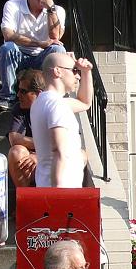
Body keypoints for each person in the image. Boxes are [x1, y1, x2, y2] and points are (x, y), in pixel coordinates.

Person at [0, 0, 66, 112]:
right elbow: (8, 35)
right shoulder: (13, 5)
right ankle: (8, 98)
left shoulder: (57, 10)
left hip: (42, 57)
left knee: (58, 50)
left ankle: (52, 96)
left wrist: (51, 9)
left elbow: (55, 37)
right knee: (6, 48)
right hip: (18, 55)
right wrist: (39, 43)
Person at [31, 52, 92, 188]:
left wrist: (86, 72)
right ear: (57, 71)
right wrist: (57, 193)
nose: (77, 76)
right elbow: (58, 151)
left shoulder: (41, 102)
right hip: (63, 189)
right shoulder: (57, 105)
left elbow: (85, 103)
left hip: (49, 185)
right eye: (74, 70)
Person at [7, 68, 43, 187]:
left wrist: (40, 155)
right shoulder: (19, 109)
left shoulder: (55, 109)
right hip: (30, 160)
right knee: (16, 152)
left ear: (38, 94)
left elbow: (65, 144)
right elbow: (14, 139)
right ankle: (25, 197)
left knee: (81, 155)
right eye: (18, 90)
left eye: (23, 91)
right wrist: (45, 145)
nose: (18, 95)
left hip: (53, 159)